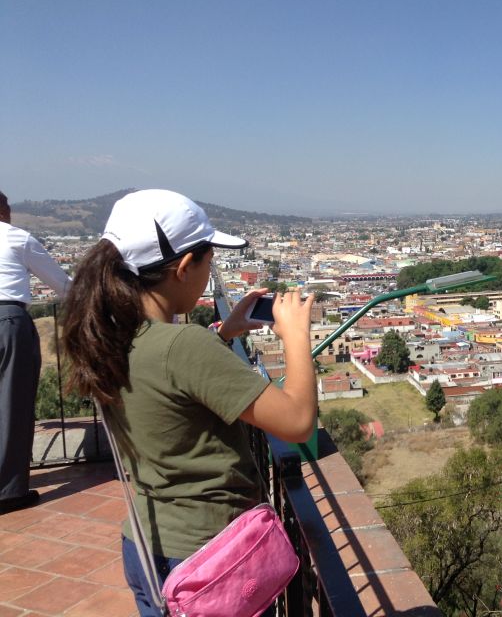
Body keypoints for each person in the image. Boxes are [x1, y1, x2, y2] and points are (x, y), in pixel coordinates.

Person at [61, 189, 317, 616]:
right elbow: (297, 421)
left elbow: (164, 383)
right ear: (183, 268)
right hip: (212, 556)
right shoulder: (182, 345)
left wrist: (221, 336)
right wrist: (295, 338)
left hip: (146, 542)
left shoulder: (110, 333)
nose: (209, 269)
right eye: (209, 259)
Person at [0, 190, 71, 515]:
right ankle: (8, 490)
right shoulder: (16, 237)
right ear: (5, 210)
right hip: (8, 320)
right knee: (12, 402)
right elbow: (62, 285)